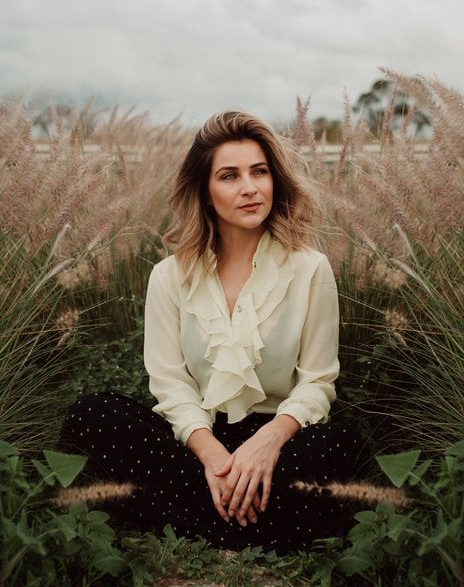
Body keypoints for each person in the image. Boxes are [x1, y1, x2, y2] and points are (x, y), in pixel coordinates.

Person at [61, 110, 363, 554]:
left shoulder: (310, 268)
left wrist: (266, 445)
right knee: (92, 415)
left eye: (259, 172)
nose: (249, 187)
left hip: (280, 442)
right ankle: (254, 522)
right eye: (229, 175)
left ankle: (193, 518)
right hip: (195, 443)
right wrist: (213, 457)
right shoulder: (169, 276)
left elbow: (318, 381)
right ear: (205, 191)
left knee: (343, 447)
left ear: (275, 180)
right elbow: (170, 383)